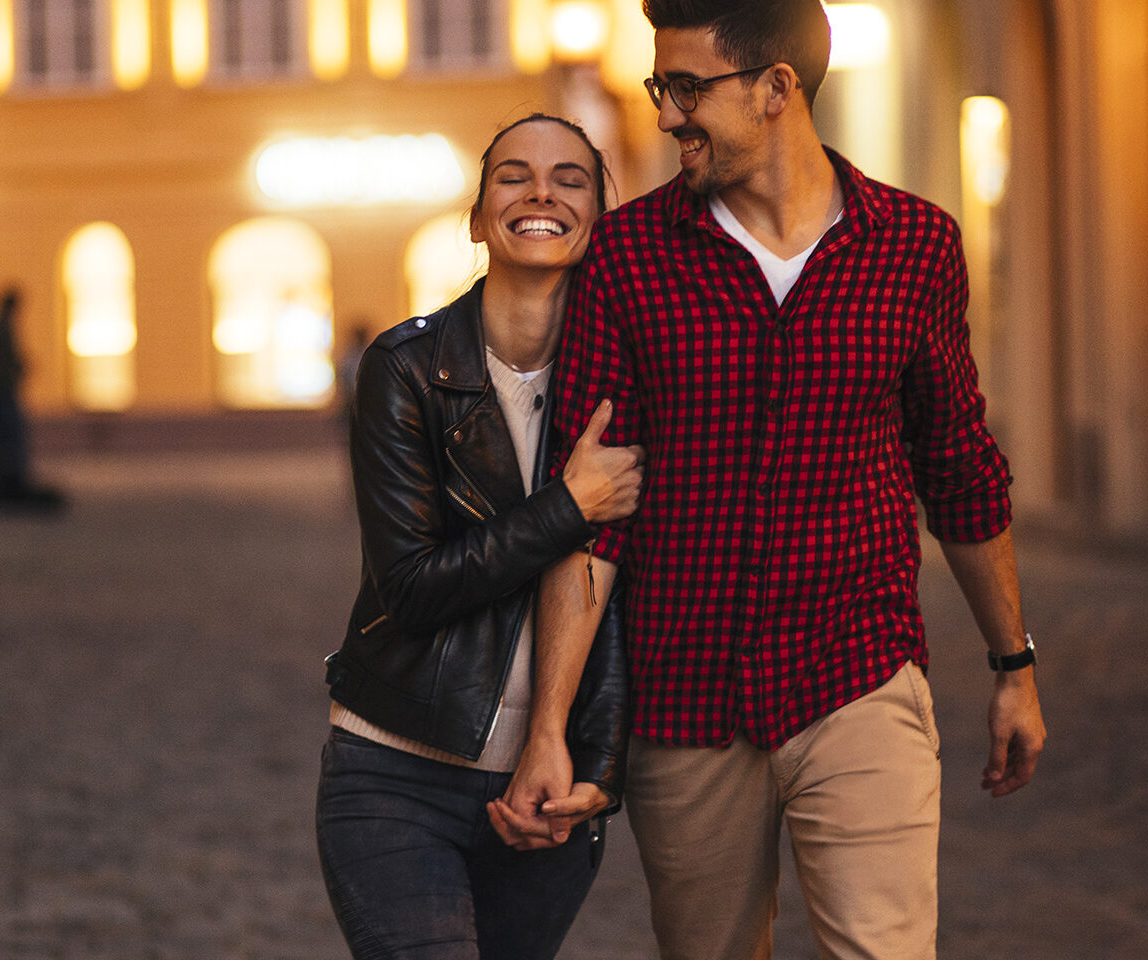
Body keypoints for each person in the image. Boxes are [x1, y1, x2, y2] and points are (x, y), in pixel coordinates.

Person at [495, 2, 1049, 959]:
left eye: (686, 89)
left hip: (859, 678)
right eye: (658, 87)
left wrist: (1014, 665)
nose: (666, 115)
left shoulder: (913, 247)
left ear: (777, 89)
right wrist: (549, 727)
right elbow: (591, 517)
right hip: (685, 702)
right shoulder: (627, 260)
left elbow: (958, 465)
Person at [316, 115, 645, 960]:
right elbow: (415, 587)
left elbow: (630, 601)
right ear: (476, 218)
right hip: (397, 770)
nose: (541, 191)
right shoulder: (408, 369)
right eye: (514, 175)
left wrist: (596, 773)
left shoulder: (637, 383)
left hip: (548, 787)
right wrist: (569, 506)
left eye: (571, 178)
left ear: (601, 220)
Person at [0, 286, 66, 512]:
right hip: (2, 391)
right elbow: (5, 361)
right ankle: (9, 482)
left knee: (10, 438)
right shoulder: (0, 329)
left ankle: (10, 481)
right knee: (10, 439)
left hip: (3, 391)